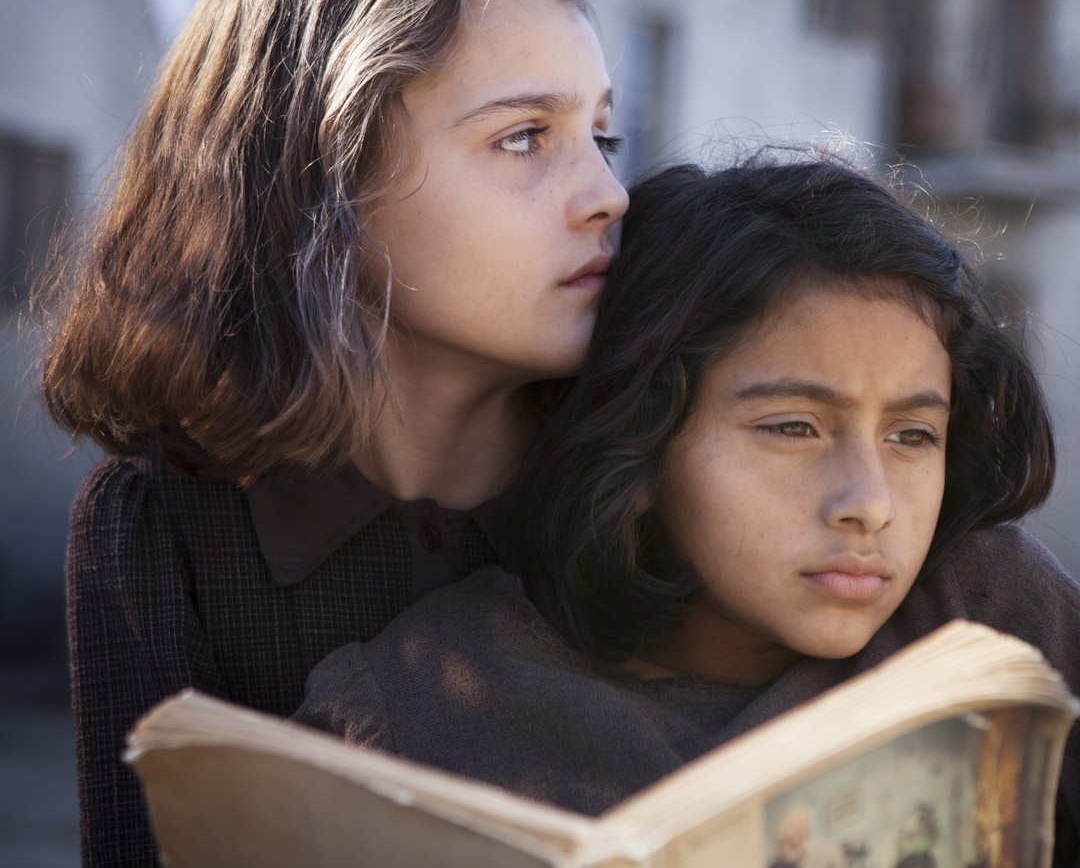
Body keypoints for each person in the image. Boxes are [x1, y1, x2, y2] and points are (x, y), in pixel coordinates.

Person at [39, 0, 628, 867]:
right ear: (328, 182)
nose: (608, 196)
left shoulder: (659, 469)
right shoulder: (158, 529)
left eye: (602, 137)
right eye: (525, 137)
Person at [296, 153, 1080, 864]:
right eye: (793, 429)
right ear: (639, 443)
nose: (869, 504)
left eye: (913, 435)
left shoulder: (988, 621)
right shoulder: (415, 711)